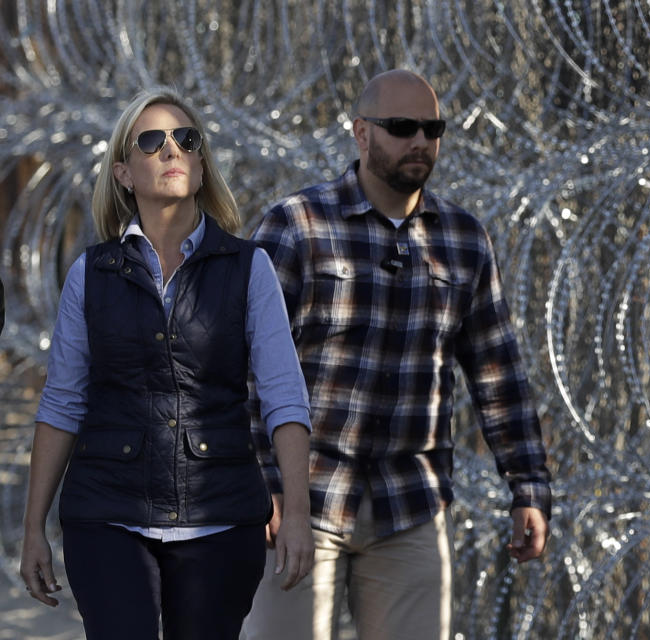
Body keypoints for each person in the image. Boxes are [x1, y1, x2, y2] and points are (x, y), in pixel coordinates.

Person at [240, 69, 552, 640]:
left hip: (410, 503)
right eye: (401, 126)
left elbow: (496, 371)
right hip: (304, 500)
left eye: (432, 129)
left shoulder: (461, 239)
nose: (419, 142)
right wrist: (265, 483)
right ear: (361, 134)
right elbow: (244, 369)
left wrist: (527, 486)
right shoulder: (297, 226)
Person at [19, 86, 315, 640]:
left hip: (222, 517)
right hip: (107, 513)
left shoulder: (249, 269)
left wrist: (296, 514)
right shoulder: (91, 273)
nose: (171, 150)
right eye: (152, 141)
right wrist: (32, 527)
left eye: (186, 139)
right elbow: (62, 402)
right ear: (124, 172)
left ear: (201, 164)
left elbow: (284, 396)